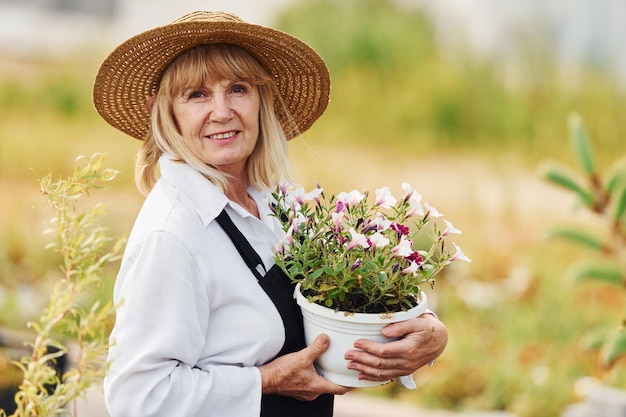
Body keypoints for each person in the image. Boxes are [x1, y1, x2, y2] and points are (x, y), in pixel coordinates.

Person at [92, 11, 448, 417]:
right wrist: (265, 381)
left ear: (263, 101)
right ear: (164, 111)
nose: (222, 112)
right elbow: (137, 397)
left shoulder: (275, 205)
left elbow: (347, 306)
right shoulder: (173, 233)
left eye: (238, 89)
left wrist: (428, 330)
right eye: (196, 95)